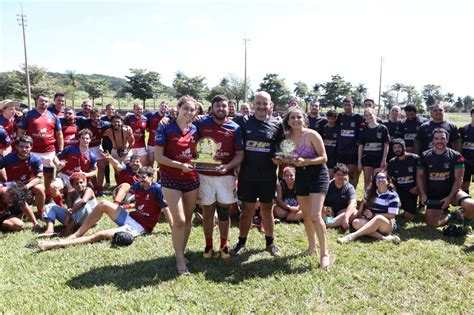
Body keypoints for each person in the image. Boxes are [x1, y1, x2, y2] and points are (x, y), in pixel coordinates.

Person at [36, 167, 169, 250]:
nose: (141, 181)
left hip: (140, 227)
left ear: (151, 178)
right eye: (139, 178)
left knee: (99, 235)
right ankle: (77, 234)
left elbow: (166, 210)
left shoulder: (157, 189)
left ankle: (57, 245)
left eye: (144, 179)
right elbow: (125, 186)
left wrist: (175, 228)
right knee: (103, 204)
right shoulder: (138, 186)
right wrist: (117, 202)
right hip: (130, 218)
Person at [276, 106, 334, 270]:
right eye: (292, 117)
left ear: (304, 119)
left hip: (318, 175)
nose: (296, 120)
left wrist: (306, 161)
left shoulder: (312, 135)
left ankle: (324, 253)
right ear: (288, 121)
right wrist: (283, 159)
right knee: (307, 215)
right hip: (301, 175)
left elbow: (324, 157)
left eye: (299, 117)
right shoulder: (287, 138)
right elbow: (287, 157)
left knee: (316, 215)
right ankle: (311, 248)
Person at [231, 91, 283, 257]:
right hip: (247, 176)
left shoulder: (277, 124)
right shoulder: (242, 122)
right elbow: (222, 122)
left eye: (264, 103)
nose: (261, 106)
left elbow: (282, 149)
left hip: (268, 177)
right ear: (253, 105)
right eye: (258, 103)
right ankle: (241, 243)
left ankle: (270, 243)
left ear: (270, 105)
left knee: (267, 210)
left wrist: (281, 158)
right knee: (247, 211)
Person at [193, 95, 244, 260]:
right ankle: (208, 245)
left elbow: (239, 154)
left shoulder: (235, 128)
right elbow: (184, 127)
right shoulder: (201, 124)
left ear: (228, 108)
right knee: (207, 212)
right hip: (204, 176)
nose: (221, 109)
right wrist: (167, 121)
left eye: (224, 106)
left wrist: (228, 166)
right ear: (212, 107)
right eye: (217, 106)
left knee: (224, 212)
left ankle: (224, 245)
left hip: (225, 177)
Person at [155, 95, 200, 275]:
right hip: (170, 178)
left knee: (188, 219)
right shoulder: (165, 126)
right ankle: (180, 260)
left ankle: (181, 251)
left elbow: (197, 152)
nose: (188, 112)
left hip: (191, 179)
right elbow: (159, 157)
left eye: (192, 110)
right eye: (186, 108)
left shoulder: (195, 129)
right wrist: (179, 165)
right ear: (179, 108)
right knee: (179, 220)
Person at [17, 93, 64, 206]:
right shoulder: (29, 115)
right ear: (36, 101)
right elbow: (21, 132)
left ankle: (48, 197)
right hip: (33, 152)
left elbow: (59, 135)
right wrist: (19, 146)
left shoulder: (54, 116)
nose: (44, 103)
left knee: (49, 176)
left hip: (49, 152)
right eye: (41, 100)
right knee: (31, 176)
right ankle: (30, 197)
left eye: (46, 101)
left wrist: (61, 150)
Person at [417, 128, 464, 227]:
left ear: (447, 139)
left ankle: (461, 212)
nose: (439, 141)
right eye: (436, 138)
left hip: (453, 192)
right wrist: (423, 194)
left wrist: (450, 197)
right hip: (433, 194)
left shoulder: (456, 156)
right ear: (433, 140)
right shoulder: (425, 155)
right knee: (432, 223)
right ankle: (452, 215)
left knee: (471, 206)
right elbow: (419, 175)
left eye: (442, 138)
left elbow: (459, 178)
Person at [338, 171, 401, 244]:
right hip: (371, 220)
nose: (380, 180)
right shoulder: (371, 192)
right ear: (375, 182)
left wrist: (374, 215)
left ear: (388, 181)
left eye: (382, 178)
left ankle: (352, 236)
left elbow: (392, 215)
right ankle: (384, 238)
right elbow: (364, 209)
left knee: (379, 218)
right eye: (378, 178)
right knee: (356, 223)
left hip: (386, 224)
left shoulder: (393, 195)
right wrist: (364, 211)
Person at [0, 135, 45, 225]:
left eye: (27, 147)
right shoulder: (9, 158)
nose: (24, 149)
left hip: (29, 185)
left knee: (40, 188)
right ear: (16, 147)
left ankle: (40, 213)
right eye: (21, 146)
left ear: (31, 147)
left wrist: (26, 187)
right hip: (13, 188)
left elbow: (39, 177)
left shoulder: (36, 159)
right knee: (16, 220)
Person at [50, 129, 97, 203]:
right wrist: (58, 164)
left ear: (90, 140)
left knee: (77, 203)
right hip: (64, 175)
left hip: (79, 181)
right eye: (82, 138)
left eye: (87, 138)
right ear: (79, 139)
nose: (85, 140)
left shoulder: (92, 156)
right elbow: (55, 158)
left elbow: (94, 172)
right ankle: (60, 207)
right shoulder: (70, 149)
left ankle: (70, 196)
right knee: (53, 187)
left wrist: (84, 174)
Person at [42, 172, 96, 236]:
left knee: (83, 204)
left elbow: (83, 201)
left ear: (85, 183)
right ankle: (50, 229)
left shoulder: (88, 190)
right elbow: (69, 209)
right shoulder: (71, 194)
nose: (79, 185)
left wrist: (71, 212)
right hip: (77, 220)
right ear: (72, 186)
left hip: (90, 220)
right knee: (50, 206)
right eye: (76, 184)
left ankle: (69, 229)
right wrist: (68, 215)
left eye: (81, 182)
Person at [77, 108, 110, 196]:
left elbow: (115, 122)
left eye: (98, 116)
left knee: (101, 167)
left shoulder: (104, 124)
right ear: (90, 116)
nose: (96, 118)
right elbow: (75, 118)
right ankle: (95, 187)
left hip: (97, 147)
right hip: (87, 147)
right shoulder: (85, 122)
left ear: (101, 116)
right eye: (94, 116)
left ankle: (100, 188)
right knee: (90, 169)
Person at [387, 138, 420, 221]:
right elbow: (389, 178)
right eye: (394, 148)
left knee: (409, 217)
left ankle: (421, 205)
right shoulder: (392, 162)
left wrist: (417, 187)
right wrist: (394, 189)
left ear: (404, 147)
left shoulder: (414, 158)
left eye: (399, 147)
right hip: (400, 190)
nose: (397, 149)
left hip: (413, 189)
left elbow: (422, 175)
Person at [358, 108, 389, 191]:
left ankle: (378, 199)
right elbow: (360, 147)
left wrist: (384, 159)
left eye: (370, 114)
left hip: (378, 159)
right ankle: (368, 200)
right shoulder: (363, 130)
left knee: (378, 179)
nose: (369, 117)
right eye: (366, 116)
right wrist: (359, 162)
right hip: (367, 158)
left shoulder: (382, 128)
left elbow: (386, 145)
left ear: (374, 114)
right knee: (367, 180)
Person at [336, 97, 363, 188]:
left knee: (352, 175)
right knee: (340, 174)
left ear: (353, 105)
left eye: (349, 105)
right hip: (341, 151)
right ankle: (341, 193)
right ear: (342, 106)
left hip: (352, 151)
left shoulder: (358, 117)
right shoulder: (339, 117)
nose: (347, 107)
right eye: (345, 105)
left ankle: (352, 193)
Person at [324, 163, 357, 229]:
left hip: (341, 213)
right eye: (338, 174)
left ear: (346, 176)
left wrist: (346, 218)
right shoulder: (327, 185)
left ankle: (329, 223)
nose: (341, 177)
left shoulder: (349, 187)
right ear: (334, 175)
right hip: (329, 211)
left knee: (354, 212)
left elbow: (353, 203)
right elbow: (320, 201)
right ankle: (332, 223)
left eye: (343, 175)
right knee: (324, 209)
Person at [146, 101, 168, 167]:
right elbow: (140, 117)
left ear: (167, 109)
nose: (163, 108)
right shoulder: (151, 115)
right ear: (159, 107)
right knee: (150, 162)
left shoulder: (168, 118)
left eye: (165, 107)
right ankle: (150, 177)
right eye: (162, 106)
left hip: (162, 145)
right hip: (151, 143)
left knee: (161, 164)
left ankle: (160, 177)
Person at [101, 104, 116, 188]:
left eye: (112, 109)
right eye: (109, 109)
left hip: (116, 144)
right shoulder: (102, 120)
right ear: (105, 111)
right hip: (106, 143)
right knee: (106, 163)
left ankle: (118, 181)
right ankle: (107, 182)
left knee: (115, 163)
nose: (111, 111)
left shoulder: (117, 119)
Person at [459, 108, 474, 192]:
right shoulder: (463, 130)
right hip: (466, 162)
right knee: (464, 184)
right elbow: (458, 145)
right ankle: (466, 204)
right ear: (471, 115)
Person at [321, 109, 339, 178]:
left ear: (336, 118)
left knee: (330, 176)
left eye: (332, 119)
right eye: (329, 118)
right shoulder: (324, 128)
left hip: (334, 155)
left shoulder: (338, 128)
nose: (331, 120)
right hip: (324, 154)